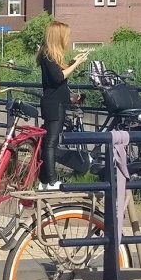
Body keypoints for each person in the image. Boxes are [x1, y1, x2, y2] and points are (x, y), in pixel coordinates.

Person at [36, 20, 88, 190]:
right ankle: (51, 181)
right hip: (54, 104)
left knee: (49, 142)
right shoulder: (48, 55)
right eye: (66, 36)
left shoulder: (48, 55)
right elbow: (59, 78)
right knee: (51, 143)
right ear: (58, 37)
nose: (67, 39)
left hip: (54, 103)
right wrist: (76, 64)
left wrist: (73, 61)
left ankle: (44, 180)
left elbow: (57, 75)